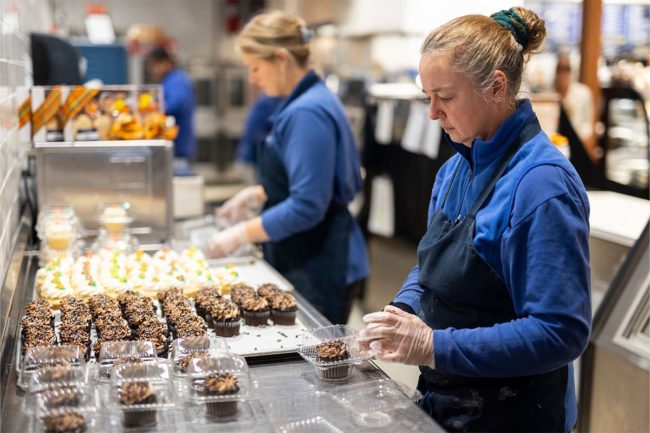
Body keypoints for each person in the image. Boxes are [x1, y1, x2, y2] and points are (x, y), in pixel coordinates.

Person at [360, 7, 591, 433]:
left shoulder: (541, 185)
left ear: (496, 88)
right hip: (450, 404)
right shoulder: (455, 169)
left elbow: (560, 332)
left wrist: (433, 345)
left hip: (516, 415)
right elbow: (433, 267)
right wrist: (403, 308)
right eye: (426, 96)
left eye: (445, 97)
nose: (432, 113)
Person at [206, 11, 369, 325]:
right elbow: (314, 178)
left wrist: (239, 234)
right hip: (315, 253)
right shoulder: (312, 99)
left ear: (281, 58)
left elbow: (308, 204)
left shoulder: (307, 112)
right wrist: (255, 194)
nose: (252, 79)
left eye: (255, 68)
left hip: (319, 260)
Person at [147, 47, 196, 174]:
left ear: (166, 62)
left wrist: (151, 109)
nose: (153, 71)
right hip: (174, 148)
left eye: (155, 66)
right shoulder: (169, 81)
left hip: (178, 148)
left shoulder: (177, 80)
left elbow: (176, 104)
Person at [554, 54, 596, 155]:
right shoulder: (551, 95)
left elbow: (588, 124)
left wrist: (578, 140)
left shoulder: (583, 93)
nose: (564, 73)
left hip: (578, 145)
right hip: (555, 147)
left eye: (567, 69)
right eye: (561, 69)